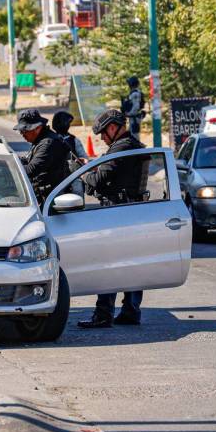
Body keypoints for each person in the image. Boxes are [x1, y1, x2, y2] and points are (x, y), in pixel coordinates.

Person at [78, 109, 147, 329]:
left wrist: (83, 172)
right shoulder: (133, 146)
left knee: (108, 264)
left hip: (118, 212)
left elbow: (98, 180)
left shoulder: (122, 149)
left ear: (112, 127)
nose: (101, 139)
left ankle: (103, 314)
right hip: (132, 211)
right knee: (132, 264)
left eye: (103, 133)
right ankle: (130, 311)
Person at [14, 109, 71, 206]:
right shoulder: (40, 140)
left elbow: (30, 170)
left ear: (38, 127)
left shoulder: (48, 143)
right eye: (21, 130)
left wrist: (9, 169)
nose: (22, 134)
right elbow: (29, 160)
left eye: (25, 130)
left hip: (51, 201)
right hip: (44, 196)